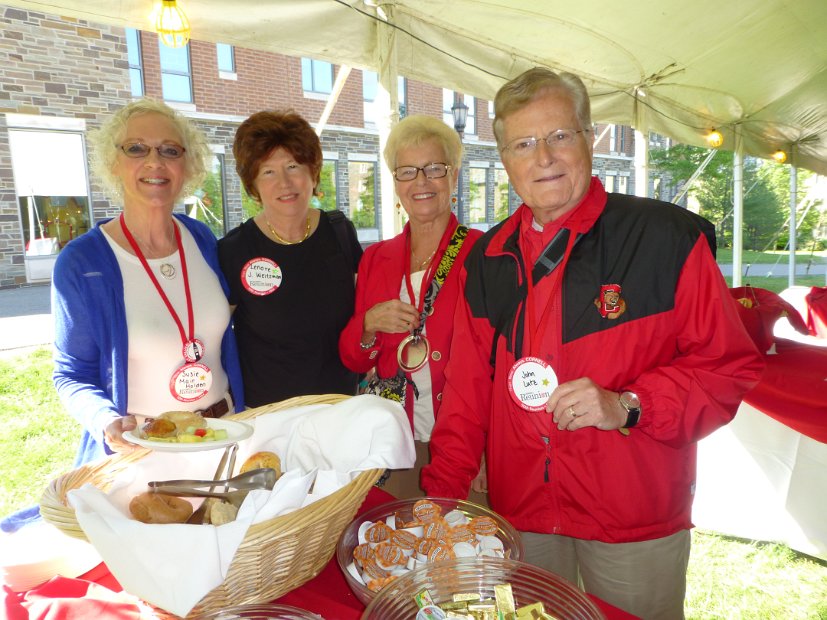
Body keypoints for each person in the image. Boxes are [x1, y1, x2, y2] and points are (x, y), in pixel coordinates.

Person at [421, 68, 764, 619]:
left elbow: (726, 366)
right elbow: (465, 396)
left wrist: (628, 404)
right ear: (505, 159)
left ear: (589, 138)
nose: (545, 157)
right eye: (524, 144)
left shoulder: (664, 239)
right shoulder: (486, 264)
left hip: (631, 520)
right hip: (525, 519)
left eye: (560, 136)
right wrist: (438, 502)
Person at [52, 99, 245, 467]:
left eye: (170, 150)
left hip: (224, 435)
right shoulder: (82, 263)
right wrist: (104, 420)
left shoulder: (201, 238)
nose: (155, 162)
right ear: (113, 163)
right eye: (136, 148)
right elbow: (71, 373)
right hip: (144, 452)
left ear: (187, 166)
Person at [339, 115, 483, 499]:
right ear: (396, 182)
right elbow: (353, 358)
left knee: (459, 550)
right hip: (395, 442)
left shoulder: (483, 253)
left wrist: (488, 451)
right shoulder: (377, 258)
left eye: (434, 168)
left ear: (453, 176)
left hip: (467, 444)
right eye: (407, 171)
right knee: (399, 546)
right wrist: (368, 324)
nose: (421, 181)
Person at [218, 111, 362, 407]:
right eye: (268, 171)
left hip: (340, 409)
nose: (284, 182)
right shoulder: (234, 250)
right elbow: (215, 336)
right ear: (253, 184)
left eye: (293, 166)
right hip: (271, 418)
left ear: (313, 172)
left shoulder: (339, 232)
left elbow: (363, 314)